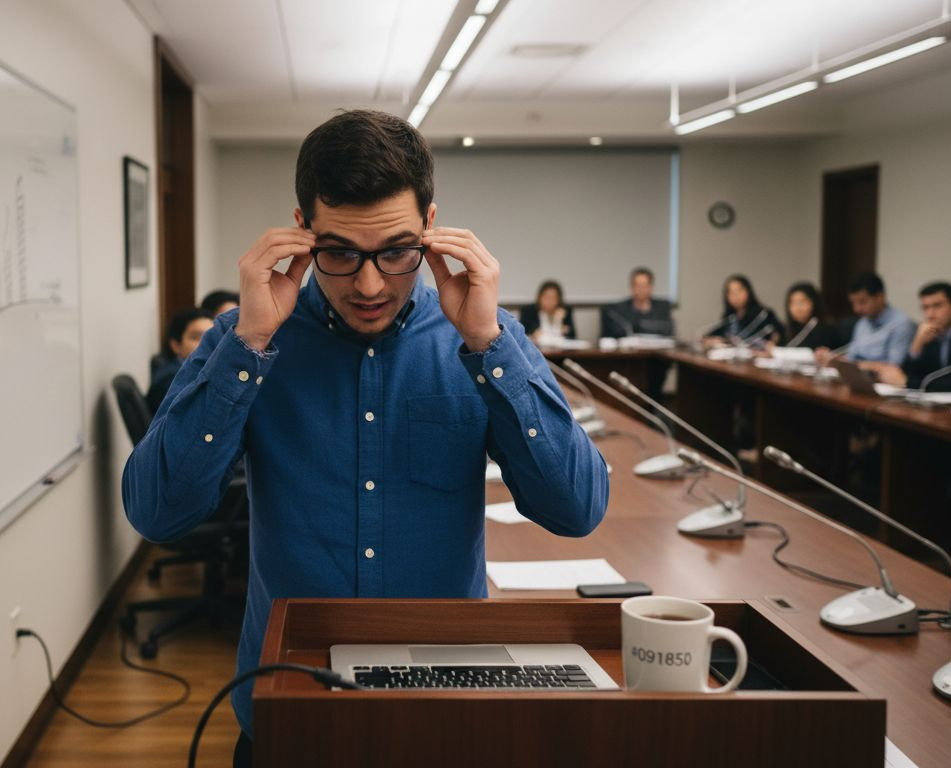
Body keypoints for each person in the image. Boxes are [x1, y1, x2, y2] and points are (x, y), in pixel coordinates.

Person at [122, 109, 608, 766]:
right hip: (289, 705)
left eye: (396, 252)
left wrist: (489, 345)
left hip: (443, 710)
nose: (370, 283)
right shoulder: (246, 338)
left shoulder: (486, 337)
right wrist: (249, 345)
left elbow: (576, 511)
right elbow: (157, 512)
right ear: (302, 230)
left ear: (432, 228)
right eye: (341, 253)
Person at [867, 282, 951, 393]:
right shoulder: (931, 333)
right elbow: (908, 375)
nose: (930, 314)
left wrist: (909, 382)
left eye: (937, 306)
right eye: (925, 308)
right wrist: (916, 345)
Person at [819, 272, 914, 364]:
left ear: (880, 297)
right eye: (853, 303)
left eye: (862, 302)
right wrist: (835, 359)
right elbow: (852, 358)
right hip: (857, 377)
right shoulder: (862, 323)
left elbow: (894, 366)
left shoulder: (901, 323)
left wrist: (858, 365)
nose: (856, 309)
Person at [146, 307, 214, 412]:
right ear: (176, 345)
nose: (207, 343)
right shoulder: (173, 379)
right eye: (196, 337)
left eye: (211, 337)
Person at [703, 274, 783, 346]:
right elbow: (711, 335)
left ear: (748, 291)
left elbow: (780, 335)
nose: (736, 296)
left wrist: (773, 343)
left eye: (739, 290)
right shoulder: (730, 317)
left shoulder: (763, 315)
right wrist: (713, 340)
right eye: (731, 292)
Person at [601, 267, 674, 338]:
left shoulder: (662, 308)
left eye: (644, 285)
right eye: (637, 285)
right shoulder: (618, 311)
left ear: (651, 287)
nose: (641, 289)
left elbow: (668, 332)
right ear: (631, 287)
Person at [778, 281, 840, 349]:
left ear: (814, 303)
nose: (797, 308)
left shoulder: (826, 330)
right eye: (793, 303)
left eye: (802, 302)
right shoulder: (785, 330)